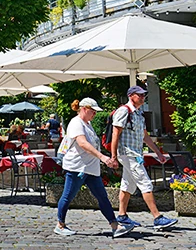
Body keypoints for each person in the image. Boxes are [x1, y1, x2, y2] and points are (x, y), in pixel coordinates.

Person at [54, 98, 135, 238]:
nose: (95, 115)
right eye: (93, 111)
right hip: (77, 167)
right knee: (68, 196)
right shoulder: (76, 123)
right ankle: (60, 225)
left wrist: (105, 158)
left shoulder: (87, 124)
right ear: (84, 109)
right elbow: (83, 143)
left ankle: (115, 226)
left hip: (90, 168)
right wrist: (102, 157)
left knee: (102, 197)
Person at [110, 86, 178, 230]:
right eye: (139, 95)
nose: (143, 97)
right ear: (131, 96)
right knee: (145, 183)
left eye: (144, 95)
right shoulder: (124, 111)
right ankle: (157, 217)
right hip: (127, 154)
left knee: (128, 185)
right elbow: (116, 134)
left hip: (135, 154)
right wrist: (113, 156)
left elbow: (145, 137)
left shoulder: (139, 113)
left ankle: (122, 216)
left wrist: (158, 153)